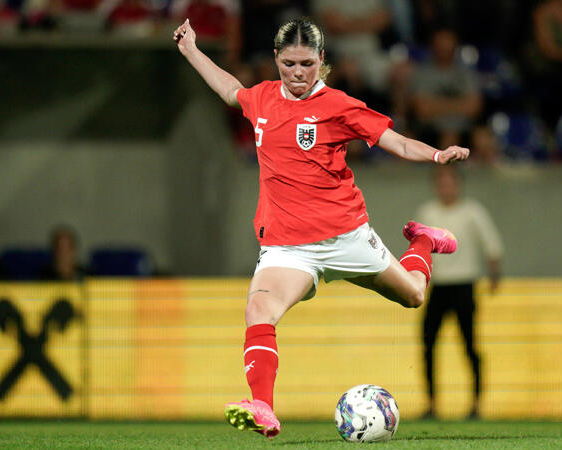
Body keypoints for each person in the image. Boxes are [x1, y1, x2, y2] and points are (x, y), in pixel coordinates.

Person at [173, 17, 469, 438]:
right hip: (287, 248)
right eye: (289, 63)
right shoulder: (261, 99)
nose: (297, 73)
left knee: (415, 296)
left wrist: (438, 155)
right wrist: (191, 51)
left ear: (321, 60)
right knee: (259, 309)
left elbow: (397, 142)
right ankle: (263, 406)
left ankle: (422, 239)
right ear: (276, 59)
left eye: (307, 64)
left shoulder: (339, 105)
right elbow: (228, 89)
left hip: (346, 236)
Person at [415, 166, 502, 419]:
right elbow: (418, 250)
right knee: (428, 345)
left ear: (458, 184)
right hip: (438, 287)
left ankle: (476, 404)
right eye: (441, 182)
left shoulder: (472, 212)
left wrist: (494, 275)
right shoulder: (427, 212)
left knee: (470, 346)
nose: (446, 187)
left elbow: (492, 246)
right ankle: (431, 404)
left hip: (464, 285)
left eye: (450, 182)